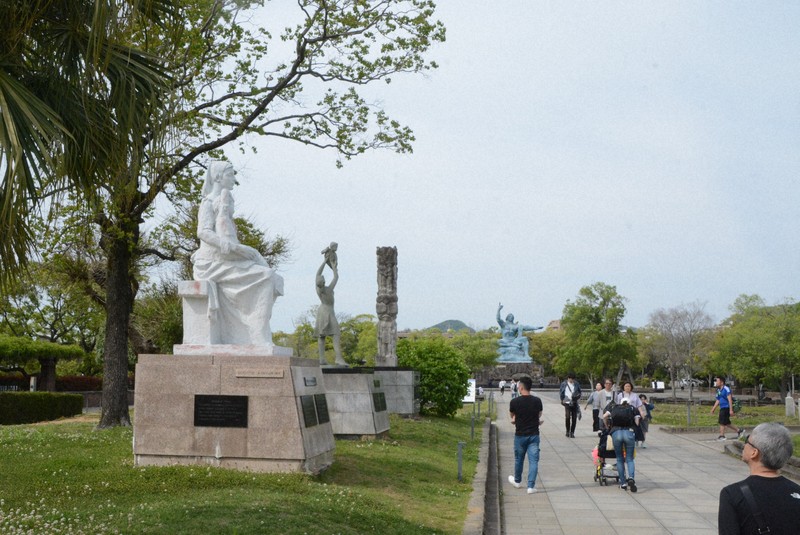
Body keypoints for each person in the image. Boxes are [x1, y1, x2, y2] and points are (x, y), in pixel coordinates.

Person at [192, 161, 283, 346]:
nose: (234, 179)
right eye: (230, 175)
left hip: (225, 262)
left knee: (267, 274)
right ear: (218, 177)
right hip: (211, 264)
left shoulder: (224, 204)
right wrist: (230, 246)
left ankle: (252, 332)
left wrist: (241, 250)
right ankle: (256, 335)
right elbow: (203, 232)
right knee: (265, 277)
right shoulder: (208, 203)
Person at [718, 423, 800, 534]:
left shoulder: (732, 494)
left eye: (747, 440)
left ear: (754, 453)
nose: (744, 444)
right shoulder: (797, 491)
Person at [603, 381, 646, 492]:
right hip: (629, 432)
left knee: (620, 459)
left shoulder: (614, 408)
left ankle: (623, 483)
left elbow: (604, 416)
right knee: (630, 458)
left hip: (616, 433)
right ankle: (631, 478)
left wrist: (607, 425)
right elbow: (637, 420)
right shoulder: (632, 409)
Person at [507, 376, 544, 494]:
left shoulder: (514, 402)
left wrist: (516, 419)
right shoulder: (537, 401)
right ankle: (530, 486)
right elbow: (539, 414)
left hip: (520, 435)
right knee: (533, 461)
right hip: (534, 435)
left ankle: (517, 481)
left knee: (519, 459)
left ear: (521, 387)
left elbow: (512, 415)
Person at [315, 257, 346, 366]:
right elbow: (335, 276)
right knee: (336, 333)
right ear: (323, 282)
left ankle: (322, 358)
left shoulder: (325, 289)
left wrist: (328, 263)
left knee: (322, 336)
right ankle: (337, 358)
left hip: (323, 312)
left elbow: (319, 274)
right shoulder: (324, 290)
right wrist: (332, 265)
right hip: (327, 312)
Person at [710, 376, 744, 441]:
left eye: (717, 381)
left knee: (722, 422)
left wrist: (731, 410)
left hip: (726, 407)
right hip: (722, 407)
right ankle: (739, 431)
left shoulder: (726, 389)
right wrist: (713, 409)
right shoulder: (718, 390)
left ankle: (722, 436)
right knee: (727, 423)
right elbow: (718, 400)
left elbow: (730, 400)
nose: (716, 382)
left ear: (722, 382)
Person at [559, 373, 582, 438]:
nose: (571, 380)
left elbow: (580, 392)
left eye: (573, 379)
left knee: (574, 418)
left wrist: (577, 397)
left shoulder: (576, 384)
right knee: (567, 416)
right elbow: (561, 392)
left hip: (574, 401)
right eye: (570, 379)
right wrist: (562, 399)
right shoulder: (564, 384)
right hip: (566, 401)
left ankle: (572, 432)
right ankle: (567, 431)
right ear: (568, 378)